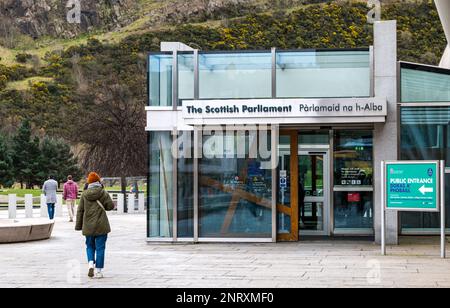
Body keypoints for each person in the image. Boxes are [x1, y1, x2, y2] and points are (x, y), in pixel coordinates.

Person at [75, 172, 114, 279]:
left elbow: (80, 211)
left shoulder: (84, 194)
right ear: (98, 181)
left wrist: (78, 226)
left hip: (88, 225)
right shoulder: (103, 192)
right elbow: (110, 206)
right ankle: (99, 271)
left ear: (89, 182)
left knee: (89, 246)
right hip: (102, 225)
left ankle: (91, 263)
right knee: (100, 248)